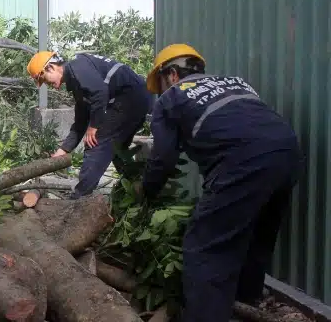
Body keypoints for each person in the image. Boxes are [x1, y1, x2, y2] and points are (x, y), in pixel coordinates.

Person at [138, 43, 302, 322]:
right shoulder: (236, 83)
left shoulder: (171, 98)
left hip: (244, 161)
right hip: (288, 152)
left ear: (173, 74)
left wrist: (146, 190)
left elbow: (163, 159)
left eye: (162, 83)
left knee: (204, 248)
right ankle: (244, 304)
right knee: (255, 236)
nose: (162, 91)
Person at [26, 50, 151, 199]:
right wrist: (64, 150)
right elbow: (80, 121)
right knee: (117, 148)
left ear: (50, 68)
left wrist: (94, 126)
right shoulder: (78, 81)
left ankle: (80, 198)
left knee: (96, 142)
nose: (49, 85)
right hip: (139, 98)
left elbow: (100, 92)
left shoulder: (78, 66)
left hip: (131, 98)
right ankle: (136, 189)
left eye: (46, 80)